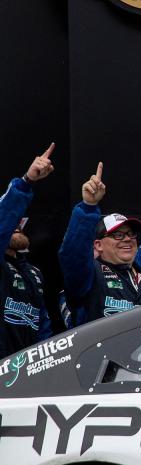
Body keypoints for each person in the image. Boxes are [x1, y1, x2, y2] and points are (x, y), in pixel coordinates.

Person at [58, 144, 141, 325]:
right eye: (117, 235)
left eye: (131, 234)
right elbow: (73, 255)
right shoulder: (90, 275)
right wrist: (88, 206)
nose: (127, 239)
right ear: (98, 245)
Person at [0, 144, 55, 358]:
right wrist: (27, 182)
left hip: (24, 381)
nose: (16, 225)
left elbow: (44, 330)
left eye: (19, 221)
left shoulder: (34, 274)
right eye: (11, 221)